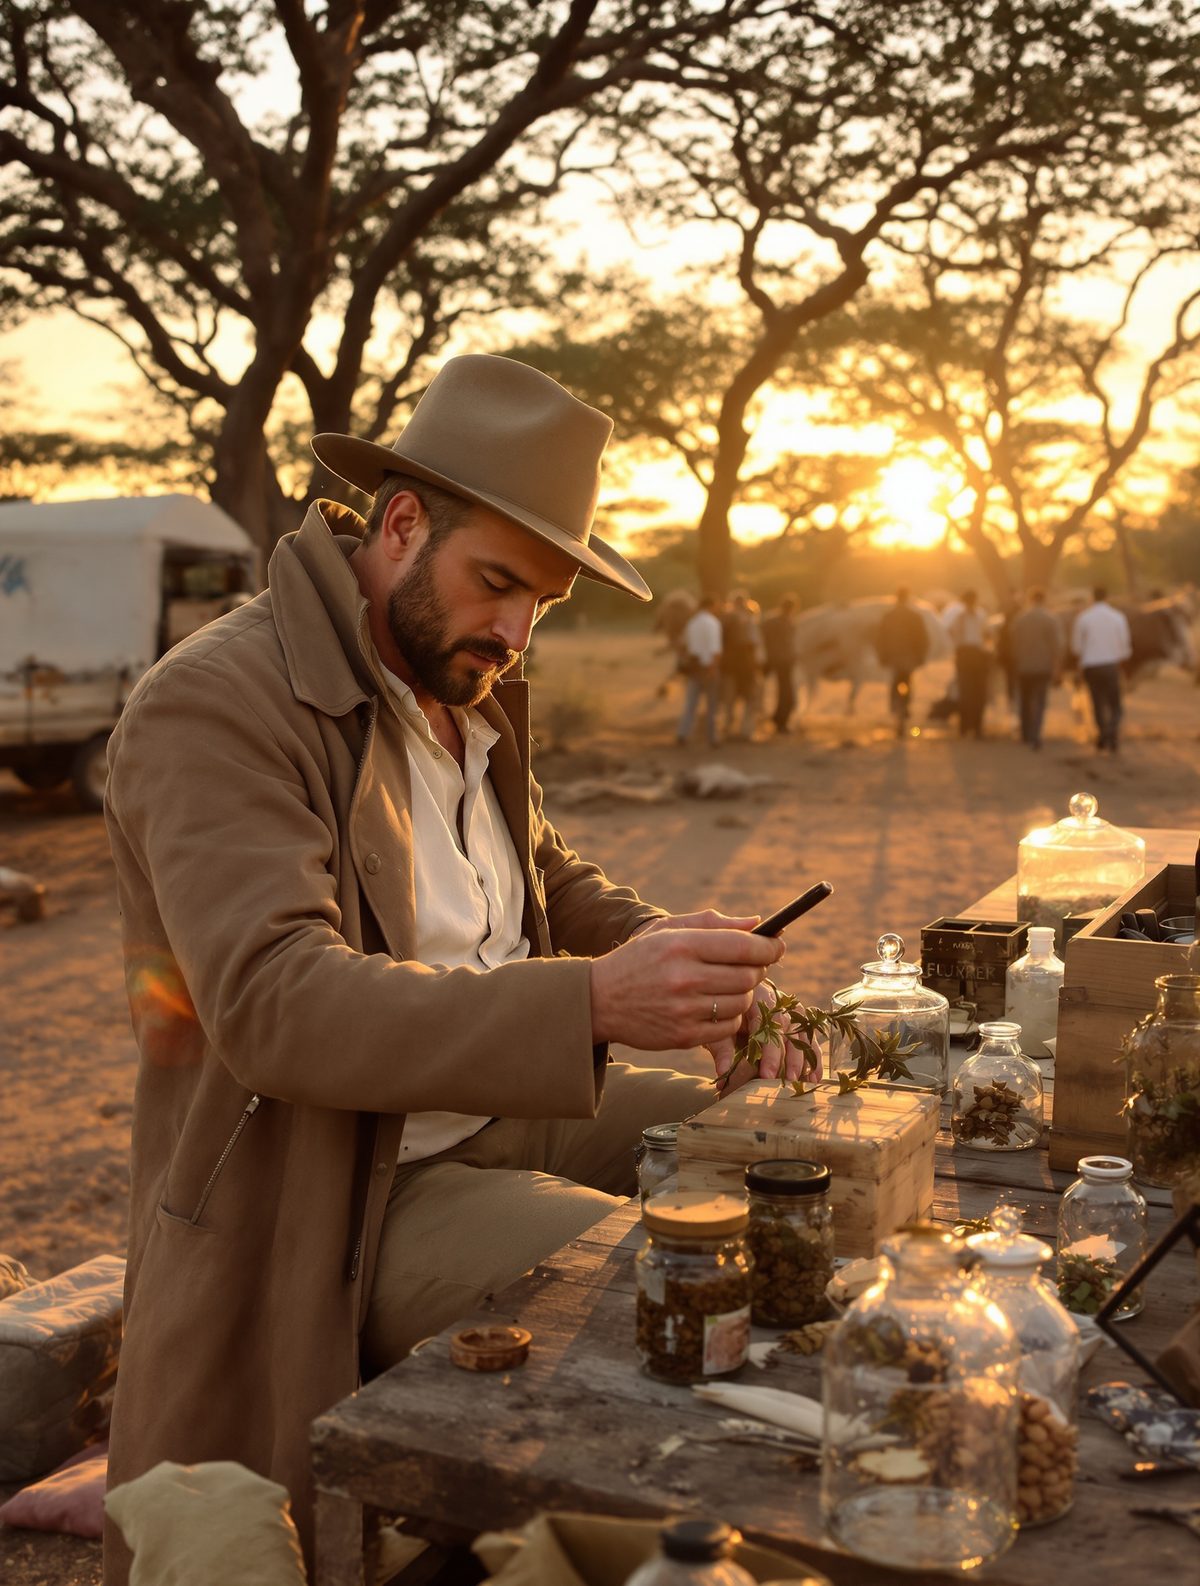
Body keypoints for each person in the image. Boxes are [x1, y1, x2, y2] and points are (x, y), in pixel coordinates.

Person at [101, 355, 811, 1583]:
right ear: (403, 519)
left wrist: (676, 959)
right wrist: (593, 1002)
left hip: (504, 1112)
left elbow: (544, 877)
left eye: (543, 602)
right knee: (677, 1276)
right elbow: (275, 1000)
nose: (515, 631)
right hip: (346, 1184)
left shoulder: (457, 678)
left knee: (788, 1166)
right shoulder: (218, 702)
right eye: (498, 585)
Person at [1071, 585, 1132, 751]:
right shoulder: (1117, 617)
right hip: (1111, 666)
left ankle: (1103, 734)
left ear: (1092, 597)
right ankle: (1111, 733)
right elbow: (1125, 646)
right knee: (1115, 706)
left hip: (1091, 666)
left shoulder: (1084, 618)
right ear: (1107, 597)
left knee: (1097, 703)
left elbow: (1076, 647)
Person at [1009, 587, 1063, 750]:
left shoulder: (1020, 619)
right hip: (1043, 667)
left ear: (1030, 600)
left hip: (1023, 666)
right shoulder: (1050, 619)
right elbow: (1057, 646)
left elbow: (1013, 643)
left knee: (1025, 701)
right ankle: (1036, 735)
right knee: (1039, 702)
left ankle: (1025, 733)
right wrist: (1057, 668)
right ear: (1044, 600)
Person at [875, 586, 929, 738]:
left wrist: (882, 656)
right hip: (909, 658)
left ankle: (895, 708)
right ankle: (905, 709)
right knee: (907, 682)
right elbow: (922, 638)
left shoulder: (889, 616)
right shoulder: (914, 616)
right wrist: (921, 656)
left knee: (895, 682)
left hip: (894, 658)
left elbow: (880, 639)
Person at [676, 593, 724, 746]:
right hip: (707, 666)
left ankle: (683, 734)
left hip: (694, 666)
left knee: (691, 704)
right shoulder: (713, 623)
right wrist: (713, 668)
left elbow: (684, 646)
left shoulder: (692, 622)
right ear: (712, 606)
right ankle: (712, 737)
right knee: (711, 705)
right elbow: (715, 650)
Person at [719, 590, 764, 740]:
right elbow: (755, 643)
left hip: (730, 665)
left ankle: (728, 728)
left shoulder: (725, 618)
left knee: (729, 698)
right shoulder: (750, 619)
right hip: (746, 664)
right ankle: (746, 730)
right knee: (750, 697)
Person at [948, 589, 991, 737]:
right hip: (966, 653)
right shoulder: (961, 617)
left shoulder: (980, 615)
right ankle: (966, 726)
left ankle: (976, 726)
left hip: (975, 654)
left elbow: (987, 635)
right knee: (967, 691)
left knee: (977, 692)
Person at [760, 594, 799, 734]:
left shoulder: (770, 621)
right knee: (787, 695)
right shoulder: (787, 622)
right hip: (782, 662)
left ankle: (776, 719)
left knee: (782, 692)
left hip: (772, 660)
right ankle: (780, 722)